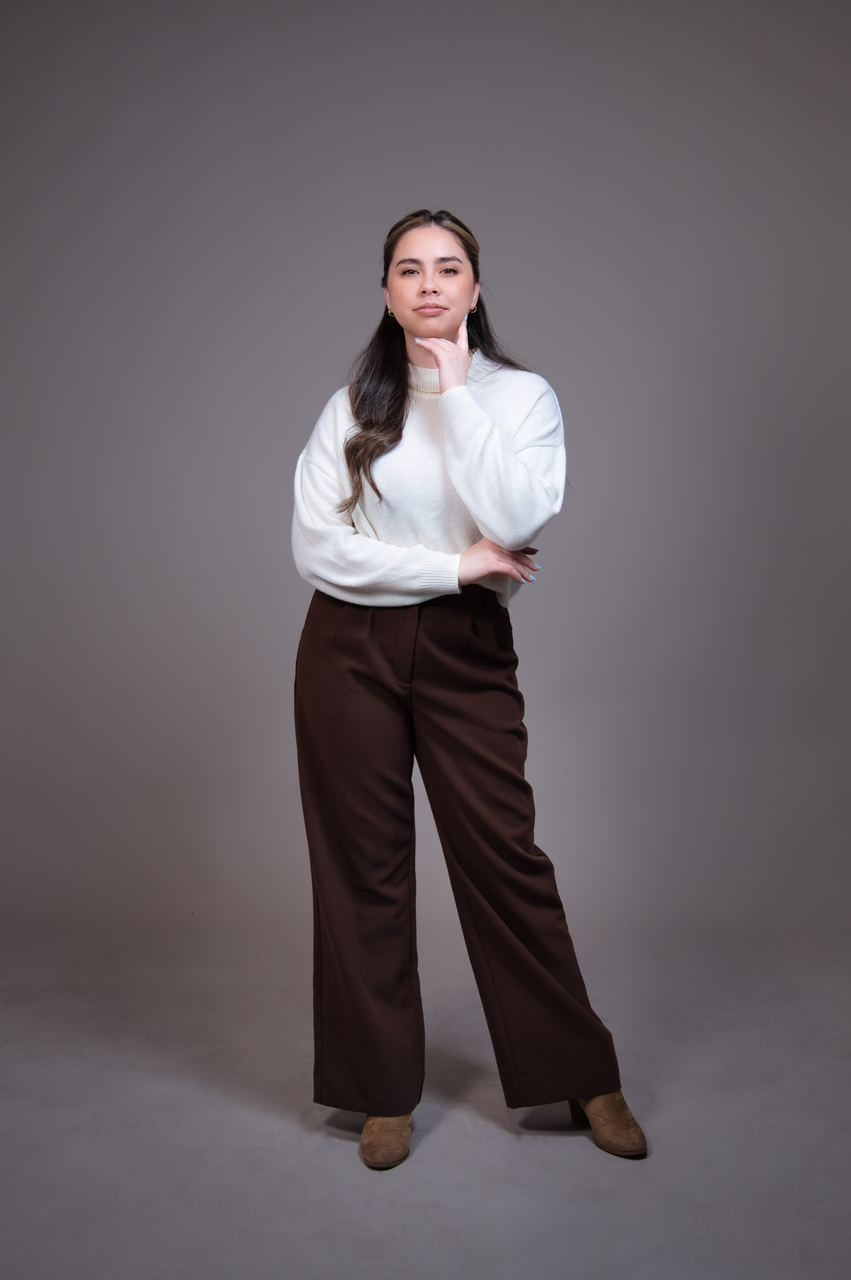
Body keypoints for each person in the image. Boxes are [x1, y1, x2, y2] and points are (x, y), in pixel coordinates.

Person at [291, 209, 647, 1169]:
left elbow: (519, 512)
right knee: (363, 865)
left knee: (505, 858)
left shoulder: (521, 398)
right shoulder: (352, 405)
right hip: (348, 650)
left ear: (476, 288)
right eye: (409, 270)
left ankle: (582, 1071)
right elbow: (318, 550)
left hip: (464, 652)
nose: (430, 285)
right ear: (386, 291)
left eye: (449, 268)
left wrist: (452, 393)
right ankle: (379, 1091)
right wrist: (453, 566)